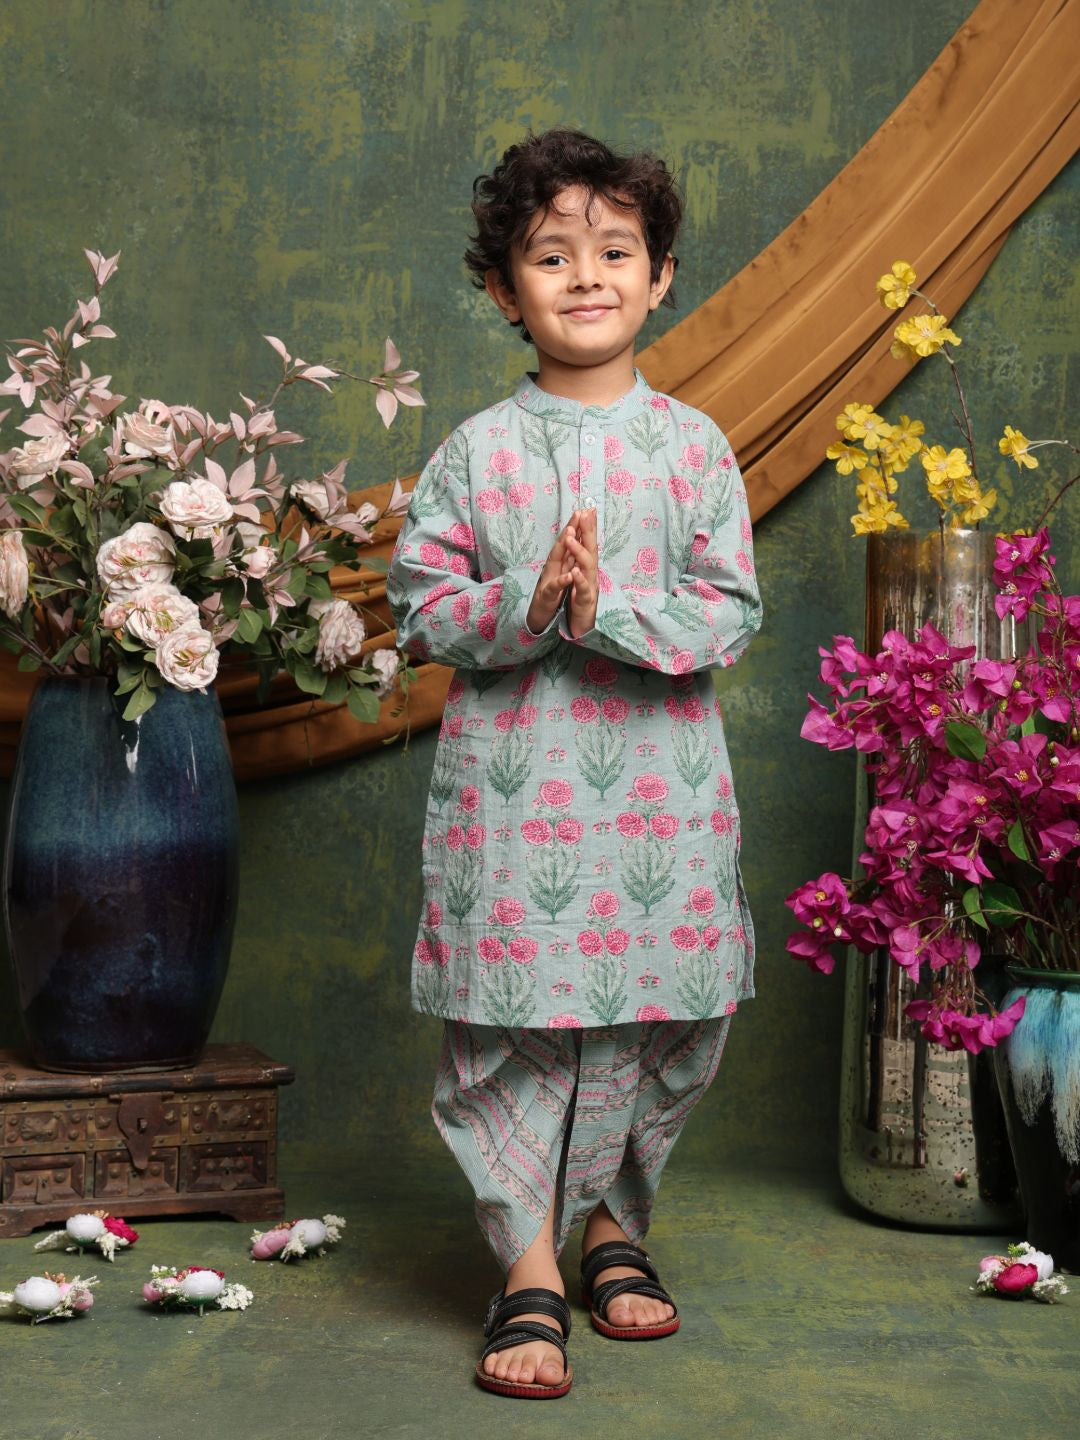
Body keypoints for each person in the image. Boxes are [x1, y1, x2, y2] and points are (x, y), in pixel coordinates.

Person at [386, 127, 762, 1400]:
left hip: (664, 802)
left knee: (671, 1022)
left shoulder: (697, 449)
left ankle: (616, 1230)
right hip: (516, 797)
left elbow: (729, 612)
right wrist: (529, 601)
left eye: (616, 251)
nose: (586, 275)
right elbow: (421, 613)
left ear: (662, 279)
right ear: (505, 289)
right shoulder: (474, 457)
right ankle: (530, 1266)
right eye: (552, 255)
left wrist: (604, 611)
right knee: (510, 1034)